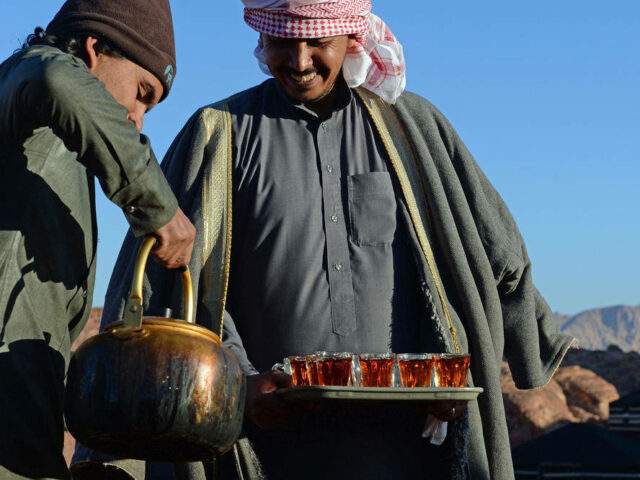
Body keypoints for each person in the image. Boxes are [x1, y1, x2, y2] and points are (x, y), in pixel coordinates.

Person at [73, 0, 575, 479]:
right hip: (262, 450)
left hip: (405, 452)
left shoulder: (412, 129)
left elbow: (489, 246)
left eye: (317, 41)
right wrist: (240, 382)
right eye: (281, 41)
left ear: (352, 35)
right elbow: (173, 278)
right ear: (262, 36)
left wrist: (467, 366)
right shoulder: (220, 133)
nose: (299, 61)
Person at [0, 0, 197, 478]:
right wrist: (160, 206)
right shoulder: (37, 73)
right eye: (142, 93)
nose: (137, 119)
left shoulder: (42, 135)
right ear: (92, 51)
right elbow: (58, 82)